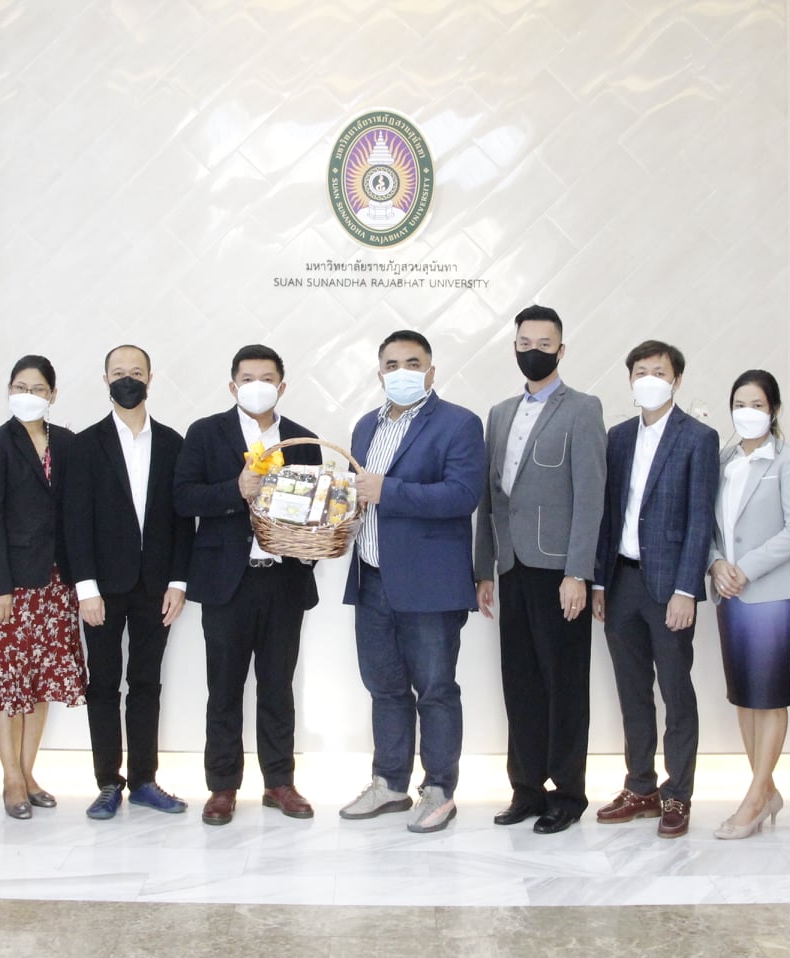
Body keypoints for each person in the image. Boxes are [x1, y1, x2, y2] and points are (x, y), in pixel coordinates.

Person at [339, 329, 485, 834]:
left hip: (430, 585)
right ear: (379, 373)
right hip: (372, 579)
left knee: (436, 690)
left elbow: (462, 495)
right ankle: (390, 783)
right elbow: (361, 496)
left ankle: (439, 790)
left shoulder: (459, 423)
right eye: (392, 364)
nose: (402, 372)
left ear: (431, 370)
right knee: (384, 688)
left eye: (413, 363)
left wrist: (388, 490)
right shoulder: (365, 426)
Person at [174, 343, 324, 826]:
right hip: (226, 582)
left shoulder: (302, 440)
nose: (257, 386)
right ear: (232, 385)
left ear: (282, 386)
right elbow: (183, 497)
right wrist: (234, 491)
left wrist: (309, 548)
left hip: (284, 580)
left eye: (267, 379)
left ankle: (279, 782)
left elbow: (318, 510)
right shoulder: (205, 433)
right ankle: (222, 786)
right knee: (223, 688)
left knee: (278, 687)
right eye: (248, 378)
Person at [475, 304, 608, 835]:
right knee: (521, 684)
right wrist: (484, 568)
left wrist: (579, 572)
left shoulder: (583, 409)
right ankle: (526, 789)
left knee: (565, 685)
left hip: (559, 571)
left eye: (545, 344)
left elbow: (591, 497)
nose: (534, 351)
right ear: (515, 347)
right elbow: (490, 497)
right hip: (511, 565)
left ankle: (568, 794)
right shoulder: (500, 412)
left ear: (561, 349)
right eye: (525, 343)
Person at [589, 340, 720, 840]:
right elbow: (608, 513)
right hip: (621, 580)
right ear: (630, 380)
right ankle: (640, 786)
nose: (649, 379)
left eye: (659, 372)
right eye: (640, 371)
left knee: (676, 692)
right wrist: (600, 580)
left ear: (676, 380)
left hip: (669, 587)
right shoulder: (618, 436)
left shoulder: (698, 437)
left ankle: (678, 793)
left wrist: (687, 588)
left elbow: (700, 518)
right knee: (632, 692)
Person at [64, 344, 193, 820]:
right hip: (101, 589)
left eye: (136, 372)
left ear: (150, 379)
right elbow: (74, 522)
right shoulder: (84, 445)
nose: (127, 380)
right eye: (118, 372)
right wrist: (85, 588)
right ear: (105, 380)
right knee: (102, 685)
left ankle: (143, 780)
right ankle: (107, 783)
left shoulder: (173, 442)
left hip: (157, 587)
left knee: (146, 683)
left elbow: (183, 519)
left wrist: (179, 581)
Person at [0, 356, 87, 819]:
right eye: (20, 387)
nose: (29, 395)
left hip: (55, 585)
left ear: (53, 394)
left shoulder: (68, 443)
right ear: (9, 391)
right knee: (5, 683)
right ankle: (11, 778)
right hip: (8, 586)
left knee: (38, 683)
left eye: (38, 388)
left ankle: (29, 771)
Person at [709, 370, 790, 839]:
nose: (746, 412)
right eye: (739, 404)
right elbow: (708, 526)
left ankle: (754, 799)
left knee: (768, 697)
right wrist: (716, 563)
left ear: (773, 410)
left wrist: (746, 568)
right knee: (744, 696)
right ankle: (765, 789)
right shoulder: (723, 460)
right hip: (728, 593)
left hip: (771, 592)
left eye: (756, 404)